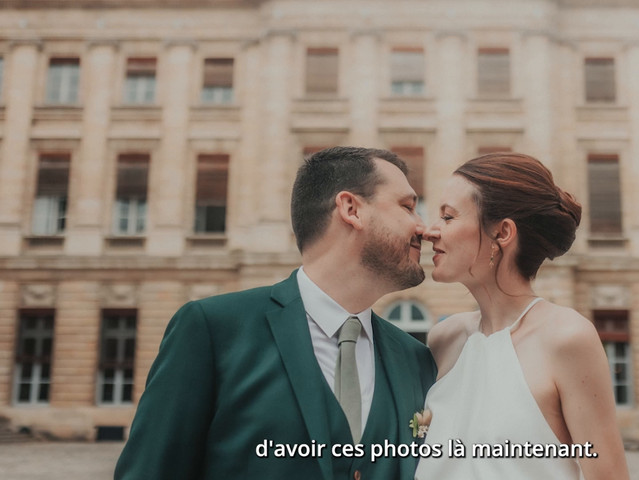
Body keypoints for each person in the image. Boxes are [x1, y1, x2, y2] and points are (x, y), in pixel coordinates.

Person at [115, 146, 437, 480]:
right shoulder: (214, 330)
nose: (423, 227)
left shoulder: (415, 359)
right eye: (408, 207)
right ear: (351, 208)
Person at [415, 152, 629, 480]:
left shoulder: (566, 337)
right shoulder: (444, 339)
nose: (430, 231)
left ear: (502, 233)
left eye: (448, 217)